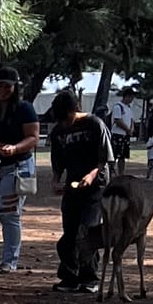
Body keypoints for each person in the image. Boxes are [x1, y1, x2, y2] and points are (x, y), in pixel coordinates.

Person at [0, 66, 40, 274]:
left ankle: (9, 261)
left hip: (17, 166)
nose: (2, 90)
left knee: (9, 214)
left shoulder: (24, 108)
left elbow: (33, 137)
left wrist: (15, 148)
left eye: (7, 86)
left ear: (15, 87)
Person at [53, 105, 110, 292]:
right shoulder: (59, 131)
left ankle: (89, 278)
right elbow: (58, 161)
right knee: (69, 233)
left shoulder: (94, 124)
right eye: (61, 121)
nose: (64, 124)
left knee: (87, 232)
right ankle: (69, 276)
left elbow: (104, 159)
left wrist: (92, 176)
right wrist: (55, 181)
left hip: (96, 187)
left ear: (74, 111)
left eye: (67, 119)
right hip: (72, 188)